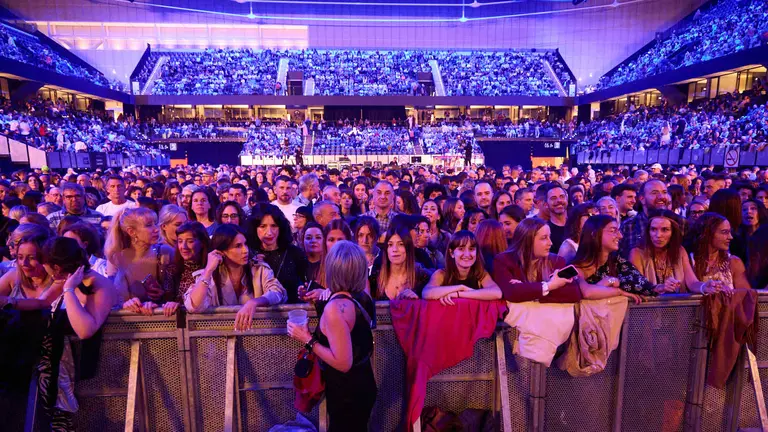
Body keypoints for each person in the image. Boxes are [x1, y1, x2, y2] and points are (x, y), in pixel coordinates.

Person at [287, 241, 377, 432]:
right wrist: (322, 294)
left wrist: (306, 338)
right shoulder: (363, 297)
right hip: (363, 383)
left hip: (347, 393)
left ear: (332, 270)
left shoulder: (335, 309)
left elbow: (343, 363)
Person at [36, 237, 115, 431]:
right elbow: (41, 304)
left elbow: (85, 330)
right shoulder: (62, 280)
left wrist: (69, 290)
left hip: (95, 375)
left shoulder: (98, 284)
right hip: (56, 370)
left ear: (55, 266)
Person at [184, 224, 287, 330]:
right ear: (222, 251)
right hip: (222, 339)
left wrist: (255, 302)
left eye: (245, 244)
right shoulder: (209, 276)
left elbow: (278, 292)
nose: (245, 250)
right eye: (238, 246)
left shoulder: (259, 269)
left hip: (257, 338)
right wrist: (208, 270)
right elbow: (194, 306)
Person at [105, 208, 177, 315]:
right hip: (128, 325)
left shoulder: (166, 253)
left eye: (155, 224)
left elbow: (179, 292)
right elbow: (111, 299)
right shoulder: (116, 258)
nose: (156, 229)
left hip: (163, 321)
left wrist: (164, 296)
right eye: (148, 225)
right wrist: (126, 304)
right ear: (132, 232)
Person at [572, 215, 658, 303]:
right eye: (613, 231)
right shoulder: (575, 269)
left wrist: (662, 287)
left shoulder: (618, 263)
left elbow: (644, 287)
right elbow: (587, 293)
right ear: (594, 234)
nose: (620, 236)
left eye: (619, 231)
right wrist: (616, 289)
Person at [492, 218, 582, 303]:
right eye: (544, 238)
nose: (550, 243)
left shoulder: (557, 261)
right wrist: (550, 286)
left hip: (549, 317)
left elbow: (574, 294)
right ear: (527, 241)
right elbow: (511, 292)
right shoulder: (503, 261)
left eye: (549, 237)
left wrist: (525, 289)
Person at [629, 211, 719, 295]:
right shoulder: (637, 253)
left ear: (673, 232)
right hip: (647, 310)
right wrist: (661, 287)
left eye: (664, 230)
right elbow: (638, 286)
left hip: (677, 309)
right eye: (653, 229)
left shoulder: (680, 251)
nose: (658, 235)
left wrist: (704, 287)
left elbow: (692, 283)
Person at [248, 205, 308, 304]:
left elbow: (304, 283)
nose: (269, 232)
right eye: (263, 226)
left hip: (290, 313)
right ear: (254, 228)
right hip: (257, 315)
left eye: (274, 226)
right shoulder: (249, 254)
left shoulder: (295, 253)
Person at [422, 230, 501, 304]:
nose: (467, 254)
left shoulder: (481, 274)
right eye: (461, 249)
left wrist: (459, 294)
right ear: (452, 253)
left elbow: (497, 293)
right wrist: (460, 287)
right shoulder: (441, 274)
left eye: (471, 249)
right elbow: (427, 293)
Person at [0, 226, 56, 310]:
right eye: (20, 257)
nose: (24, 263)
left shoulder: (59, 280)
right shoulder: (13, 276)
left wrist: (8, 301)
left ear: (46, 257)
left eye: (31, 258)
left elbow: (43, 303)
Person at [689, 213, 749, 290]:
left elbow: (746, 296)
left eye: (730, 232)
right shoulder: (689, 260)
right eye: (724, 232)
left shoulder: (734, 262)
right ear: (707, 233)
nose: (730, 237)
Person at [370, 225, 432, 300]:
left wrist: (417, 301)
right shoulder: (374, 280)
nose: (395, 249)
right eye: (390, 245)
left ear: (408, 248)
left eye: (401, 244)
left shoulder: (423, 277)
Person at [619, 179, 674, 257]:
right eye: (654, 193)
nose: (661, 197)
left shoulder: (679, 223)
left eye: (664, 192)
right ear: (642, 199)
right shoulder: (629, 226)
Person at [169, 221, 210, 303]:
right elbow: (167, 301)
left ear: (202, 243)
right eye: (180, 241)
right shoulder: (172, 270)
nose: (183, 247)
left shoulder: (210, 268)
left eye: (190, 241)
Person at [544, 183, 568, 253]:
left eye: (562, 196)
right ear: (546, 204)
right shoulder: (545, 231)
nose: (559, 200)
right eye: (553, 198)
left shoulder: (577, 224)